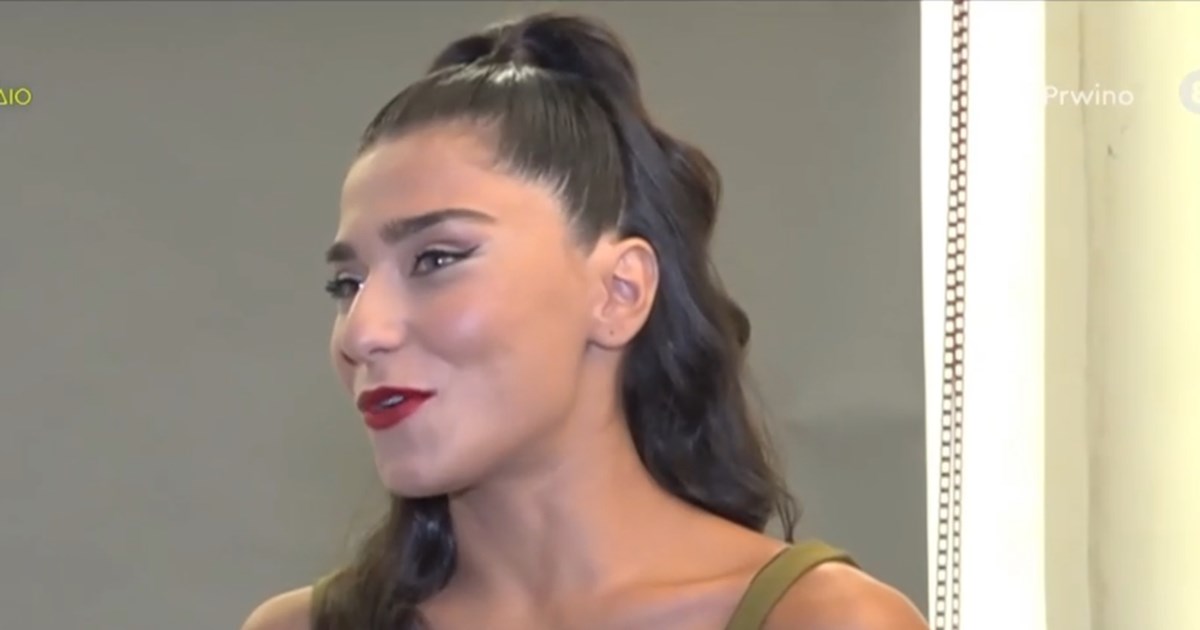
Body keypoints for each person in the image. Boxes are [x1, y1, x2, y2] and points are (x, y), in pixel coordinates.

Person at [243, 11, 927, 630]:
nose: (362, 332)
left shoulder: (826, 620)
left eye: (437, 258)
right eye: (348, 284)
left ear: (619, 292)